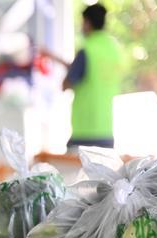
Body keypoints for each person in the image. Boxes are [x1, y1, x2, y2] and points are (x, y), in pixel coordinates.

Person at [43, 3, 126, 149]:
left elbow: (67, 84)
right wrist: (56, 58)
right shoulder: (113, 50)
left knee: (72, 171)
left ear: (87, 23)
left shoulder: (87, 50)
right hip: (106, 131)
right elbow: (88, 73)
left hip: (85, 132)